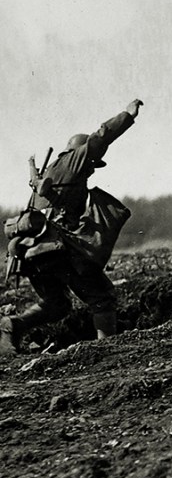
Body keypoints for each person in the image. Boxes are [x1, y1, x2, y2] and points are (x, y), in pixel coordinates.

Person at [2, 99, 142, 355]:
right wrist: (127, 115)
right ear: (77, 154)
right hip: (57, 249)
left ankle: (11, 326)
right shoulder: (73, 163)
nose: (92, 170)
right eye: (91, 164)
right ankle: (107, 352)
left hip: (30, 253)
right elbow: (101, 138)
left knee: (57, 304)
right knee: (103, 298)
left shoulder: (47, 175)